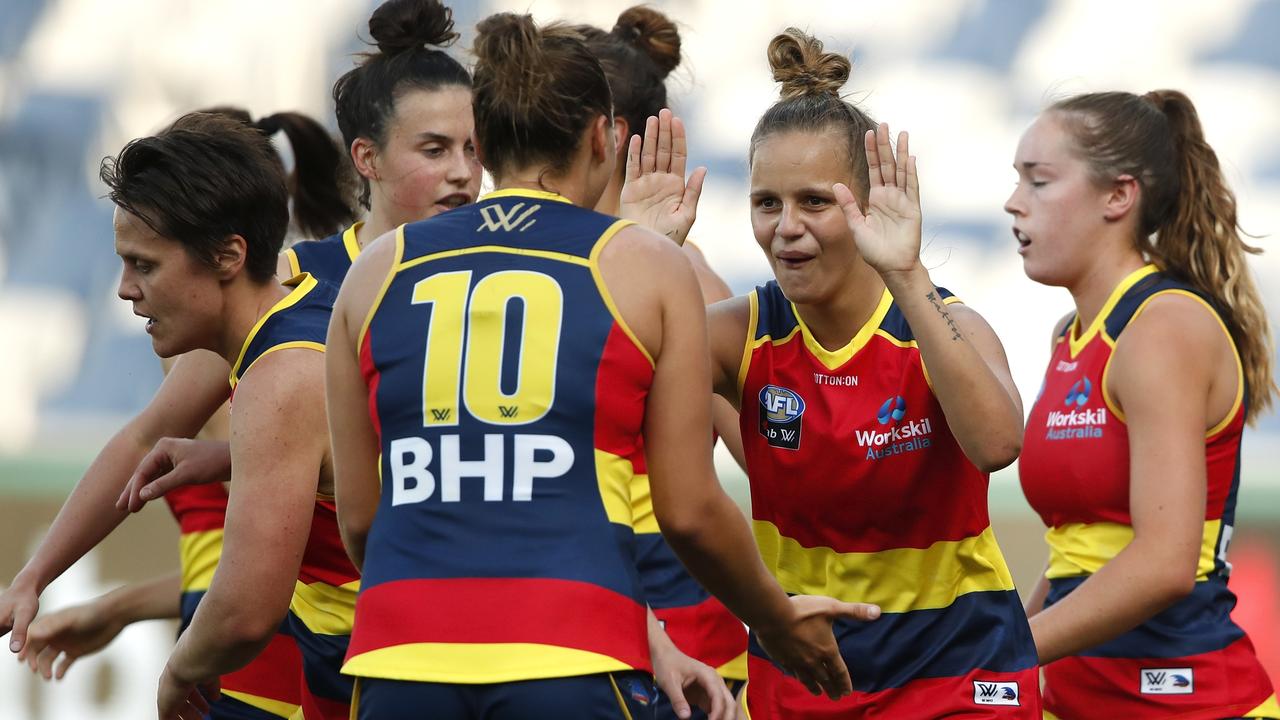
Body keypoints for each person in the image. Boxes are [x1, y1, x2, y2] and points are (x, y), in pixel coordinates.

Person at [325, 12, 879, 720]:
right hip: (574, 655)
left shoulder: (374, 271)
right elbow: (688, 511)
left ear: (484, 141)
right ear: (604, 137)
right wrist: (774, 619)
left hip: (397, 663)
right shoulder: (646, 265)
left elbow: (364, 524)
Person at [634, 27, 1040, 717]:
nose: (786, 227)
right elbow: (587, 387)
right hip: (804, 678)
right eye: (767, 203)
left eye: (815, 202)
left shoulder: (944, 324)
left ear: (869, 206)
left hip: (957, 677)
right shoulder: (740, 333)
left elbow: (998, 445)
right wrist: (634, 258)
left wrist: (908, 275)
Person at [12, 105, 351, 720]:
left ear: (227, 256)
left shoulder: (279, 372)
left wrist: (175, 675)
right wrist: (34, 576)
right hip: (336, 668)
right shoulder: (271, 323)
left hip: (371, 668)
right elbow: (144, 441)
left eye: (144, 265)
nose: (123, 289)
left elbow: (246, 610)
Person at [1010, 90, 1279, 719]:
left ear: (1118, 196)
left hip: (1190, 703)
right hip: (1078, 699)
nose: (1013, 201)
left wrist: (1001, 650)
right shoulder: (1070, 334)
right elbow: (1078, 553)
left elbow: (1163, 565)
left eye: (1039, 181)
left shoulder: (1164, 328)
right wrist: (998, 651)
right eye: (1015, 180)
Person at [578, 8, 749, 717]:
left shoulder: (691, 281)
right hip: (562, 631)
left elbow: (777, 473)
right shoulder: (525, 262)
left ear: (602, 135)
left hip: (687, 657)